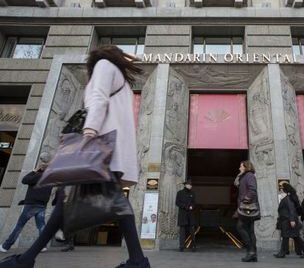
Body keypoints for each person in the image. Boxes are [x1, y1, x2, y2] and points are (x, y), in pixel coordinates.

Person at [0, 45, 150, 268]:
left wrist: (89, 132)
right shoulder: (124, 83)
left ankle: (26, 259)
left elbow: (98, 99)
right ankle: (137, 260)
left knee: (79, 201)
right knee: (83, 201)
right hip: (112, 153)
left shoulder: (103, 65)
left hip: (98, 149)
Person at [0, 152, 52, 254]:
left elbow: (24, 180)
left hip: (32, 204)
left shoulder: (38, 176)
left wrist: (34, 171)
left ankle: (6, 246)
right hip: (42, 204)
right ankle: (43, 245)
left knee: (19, 225)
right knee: (41, 225)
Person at [274, 182, 304, 259]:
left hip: (288, 220)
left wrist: (292, 220)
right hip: (287, 220)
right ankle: (283, 252)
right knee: (291, 236)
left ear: (285, 189)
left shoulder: (288, 198)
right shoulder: (288, 197)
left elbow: (291, 209)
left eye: (281, 188)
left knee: (290, 236)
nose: (280, 189)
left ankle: (283, 252)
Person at [235, 161, 259, 262]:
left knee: (240, 227)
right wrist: (239, 175)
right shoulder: (244, 176)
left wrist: (245, 200)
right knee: (250, 230)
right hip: (247, 207)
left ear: (246, 167)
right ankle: (253, 254)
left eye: (241, 166)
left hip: (247, 207)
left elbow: (252, 189)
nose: (239, 168)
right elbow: (236, 183)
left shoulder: (249, 176)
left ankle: (251, 251)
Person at [175, 180, 196, 252]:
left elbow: (194, 203)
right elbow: (177, 203)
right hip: (183, 214)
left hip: (190, 214)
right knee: (182, 231)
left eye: (191, 185)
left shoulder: (192, 193)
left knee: (192, 231)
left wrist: (192, 207)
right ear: (185, 185)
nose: (190, 186)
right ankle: (181, 246)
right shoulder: (179, 193)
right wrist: (185, 207)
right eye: (189, 185)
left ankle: (193, 245)